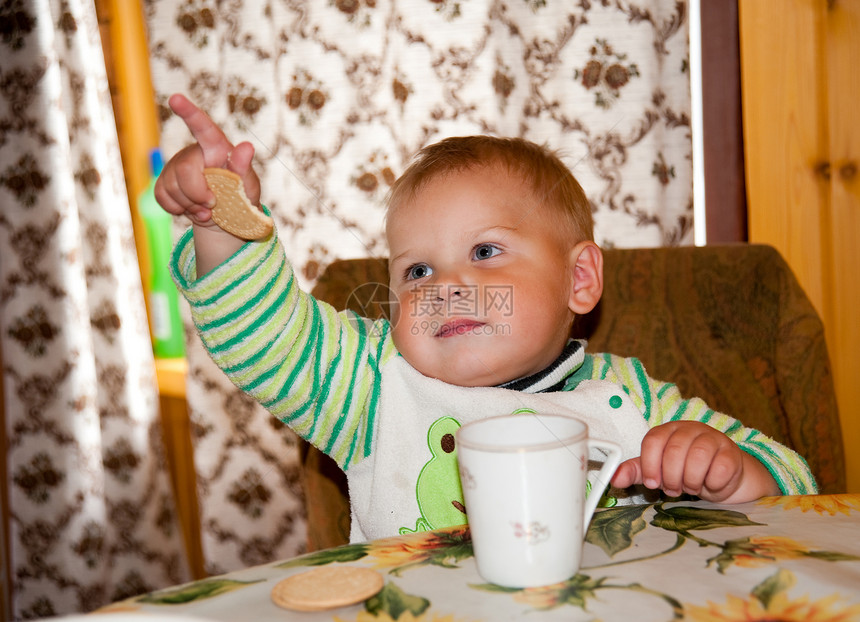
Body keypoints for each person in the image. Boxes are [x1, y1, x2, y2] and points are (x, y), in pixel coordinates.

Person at [156, 94, 817, 542]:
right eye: (418, 271)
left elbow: (797, 489)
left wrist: (726, 469)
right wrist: (223, 225)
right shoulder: (373, 388)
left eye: (485, 251)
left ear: (579, 279)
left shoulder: (632, 400)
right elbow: (269, 341)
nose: (447, 286)